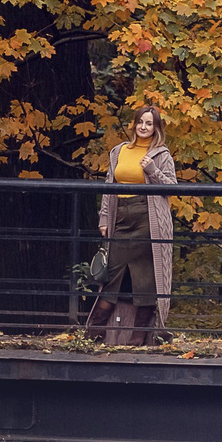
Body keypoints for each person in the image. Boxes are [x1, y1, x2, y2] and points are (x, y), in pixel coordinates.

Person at [89, 105, 176, 346]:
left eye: (149, 123)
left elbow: (172, 186)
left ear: (156, 128)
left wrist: (152, 170)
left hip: (149, 220)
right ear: (134, 124)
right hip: (121, 216)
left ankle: (139, 337)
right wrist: (104, 218)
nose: (144, 127)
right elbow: (109, 187)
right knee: (111, 274)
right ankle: (93, 332)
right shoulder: (119, 151)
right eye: (141, 122)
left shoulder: (161, 154)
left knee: (146, 278)